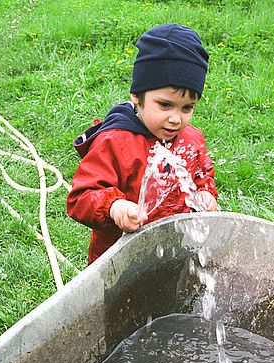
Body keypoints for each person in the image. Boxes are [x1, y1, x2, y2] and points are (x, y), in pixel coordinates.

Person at [67, 23, 218, 264]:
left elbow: (202, 175)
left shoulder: (191, 139)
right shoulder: (115, 142)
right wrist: (114, 207)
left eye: (187, 108)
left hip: (178, 248)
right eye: (165, 105)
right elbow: (81, 197)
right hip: (121, 259)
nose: (176, 118)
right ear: (137, 97)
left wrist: (205, 193)